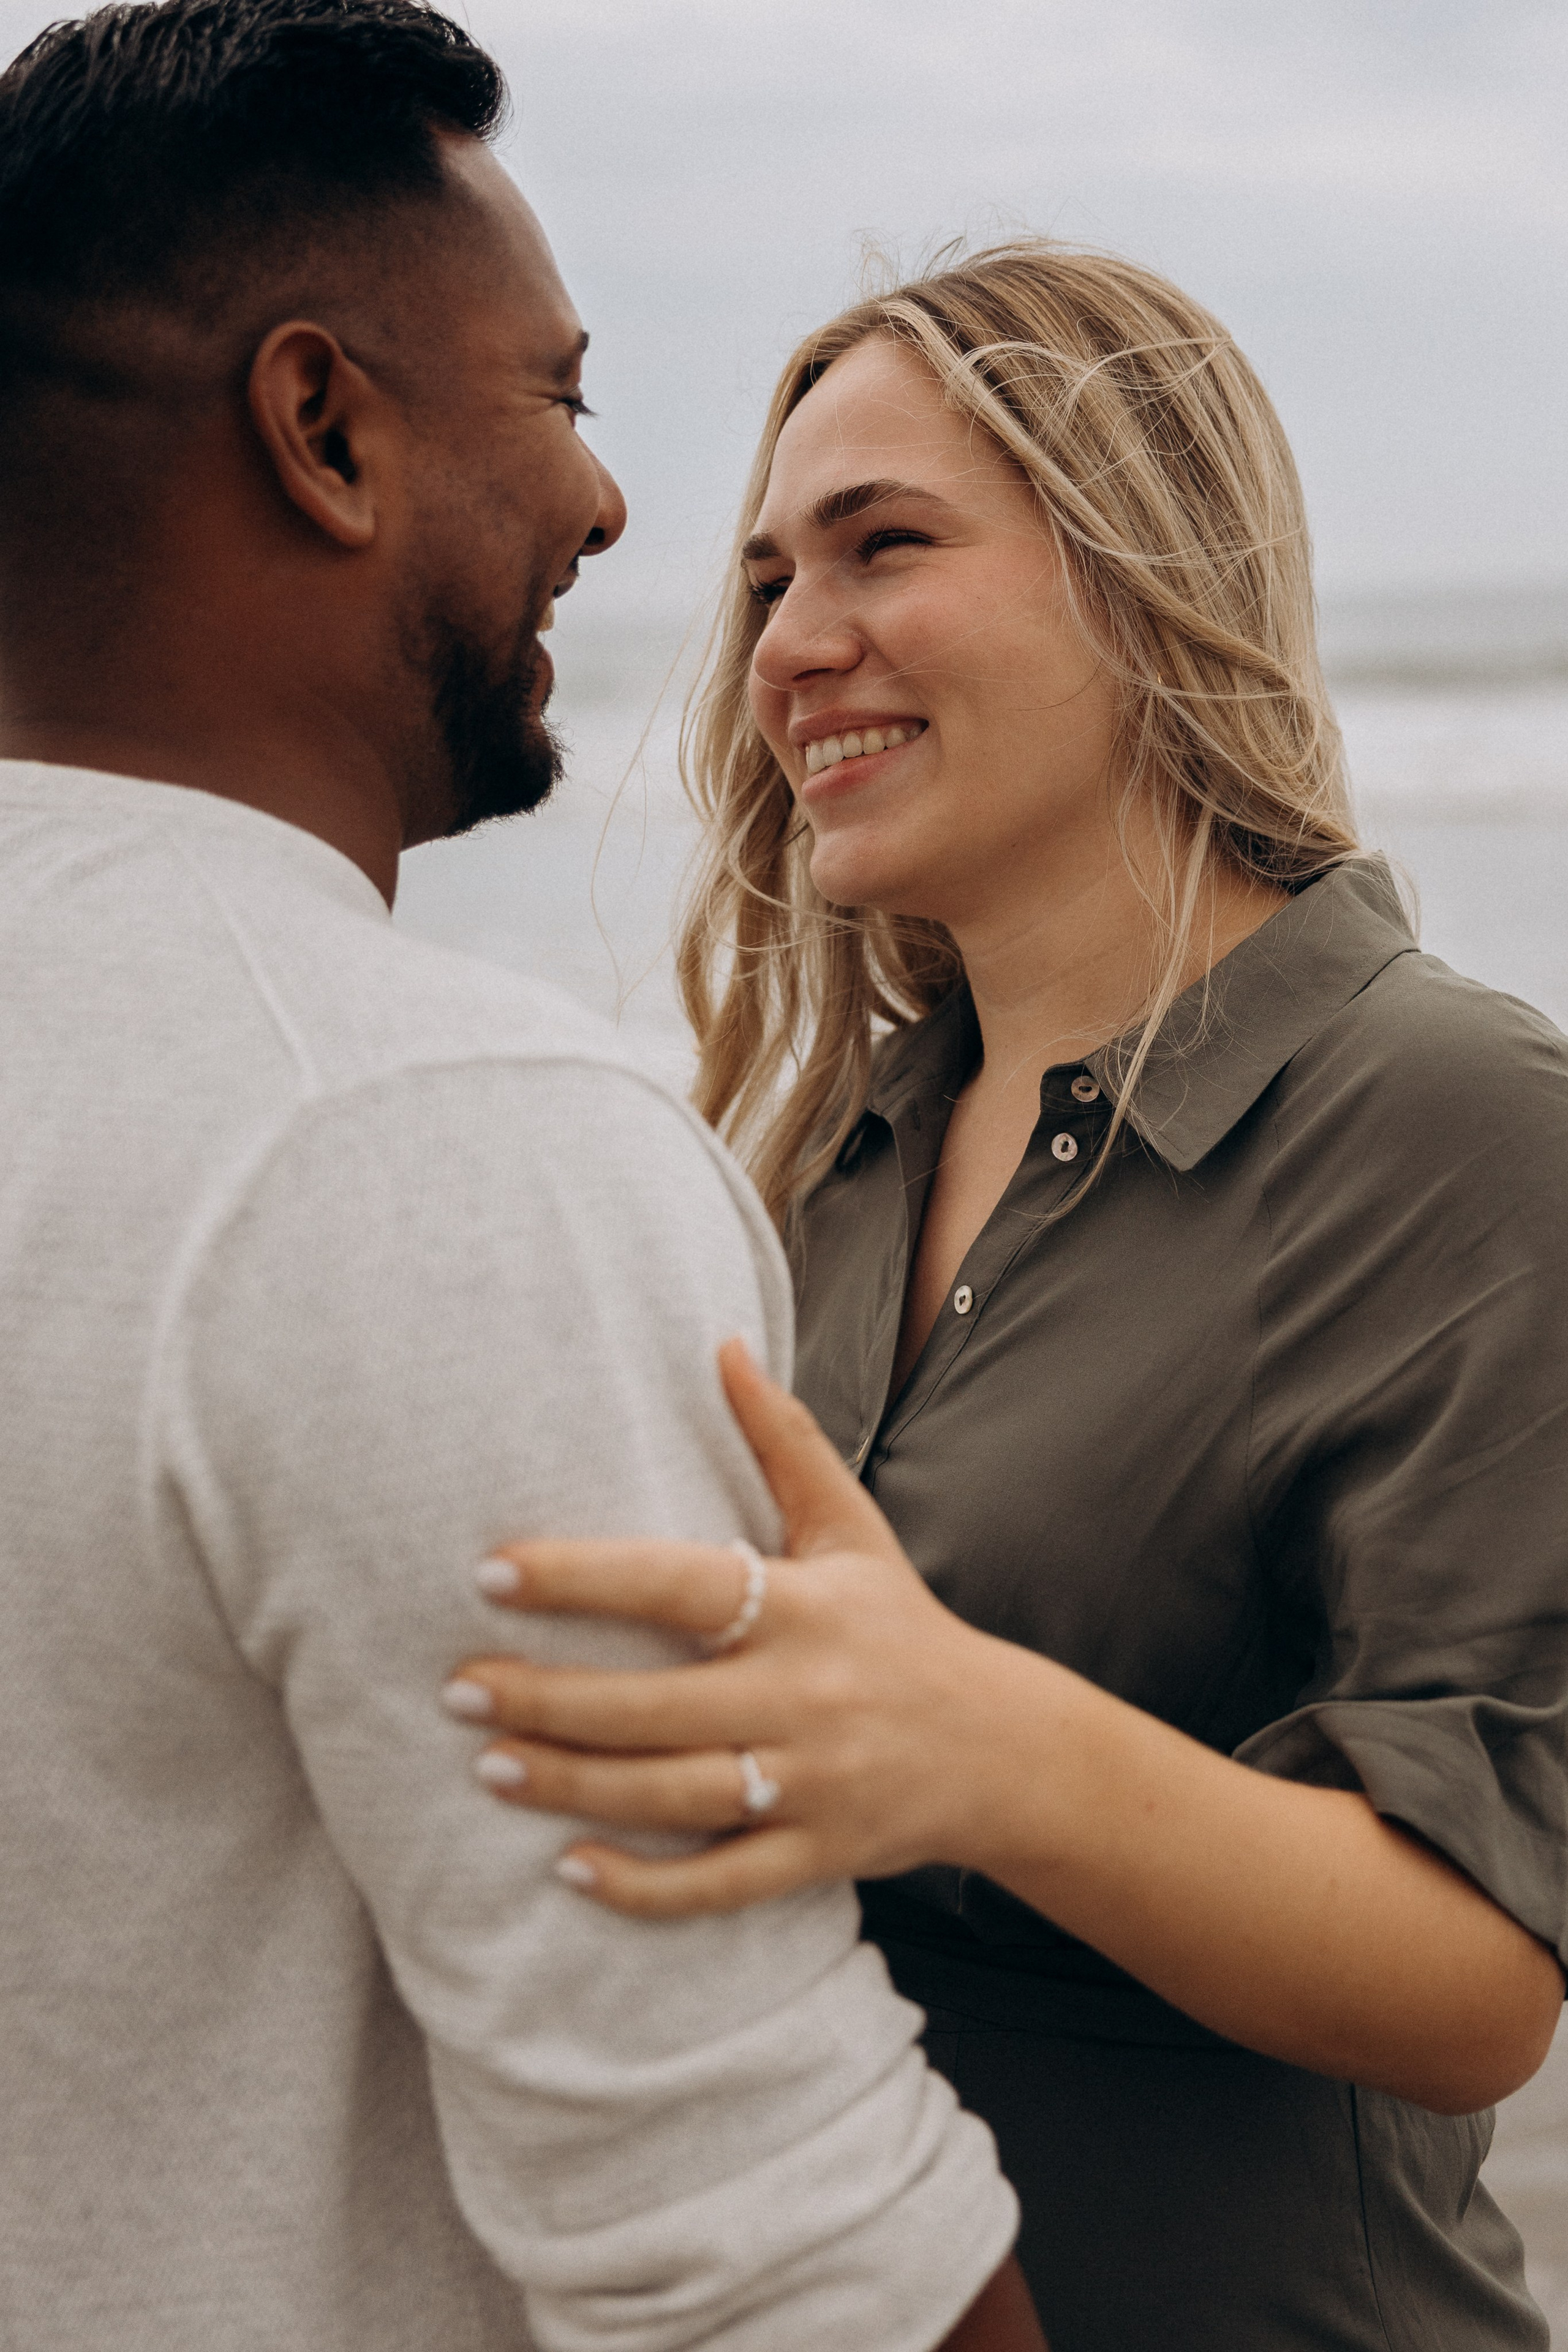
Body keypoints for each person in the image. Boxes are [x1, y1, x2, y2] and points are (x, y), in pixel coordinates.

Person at [0, 8, 1046, 2348]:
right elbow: (779, 2256)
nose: (608, 509)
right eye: (561, 400)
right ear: (325, 428)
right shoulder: (421, 1140)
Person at [448, 243, 1568, 2350]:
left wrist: (977, 1748)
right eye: (774, 577)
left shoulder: (1459, 1118)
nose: (796, 644)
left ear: (1149, 580)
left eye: (887, 546)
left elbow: (1483, 1982)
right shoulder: (810, 1159)